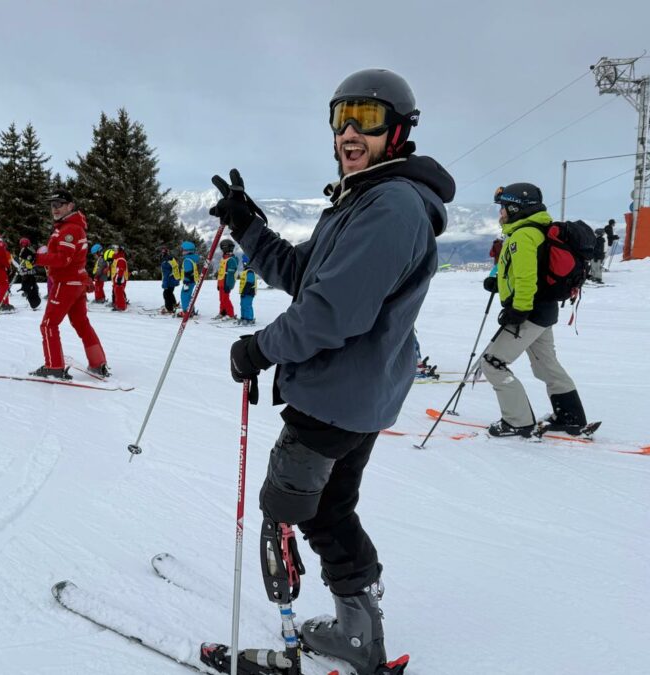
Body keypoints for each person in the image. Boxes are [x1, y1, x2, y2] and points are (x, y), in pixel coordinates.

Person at [215, 68, 453, 675]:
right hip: (357, 392)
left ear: (398, 131)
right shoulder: (365, 197)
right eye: (341, 115)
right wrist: (248, 227)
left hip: (334, 394)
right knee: (330, 507)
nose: (349, 131)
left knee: (288, 507)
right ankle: (358, 627)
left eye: (367, 119)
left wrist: (259, 349)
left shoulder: (391, 205)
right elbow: (305, 276)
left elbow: (330, 313)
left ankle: (298, 642)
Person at [481, 183, 588, 437]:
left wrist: (518, 309)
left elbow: (528, 277)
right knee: (546, 365)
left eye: (504, 208)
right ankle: (569, 417)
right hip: (544, 311)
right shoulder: (537, 230)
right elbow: (524, 272)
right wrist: (501, 282)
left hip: (529, 313)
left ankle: (517, 421)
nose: (501, 214)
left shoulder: (523, 235)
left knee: (493, 363)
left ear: (516, 208)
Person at [32, 189, 109, 379]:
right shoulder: (70, 227)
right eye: (52, 205)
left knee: (48, 325)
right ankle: (98, 363)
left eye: (59, 204)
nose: (55, 208)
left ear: (70, 206)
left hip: (65, 284)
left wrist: (36, 258)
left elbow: (63, 259)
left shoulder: (70, 229)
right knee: (81, 323)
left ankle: (54, 367)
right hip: (75, 283)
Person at [15, 237, 41, 310]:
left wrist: (26, 264)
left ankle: (34, 302)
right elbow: (28, 262)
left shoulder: (27, 251)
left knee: (30, 285)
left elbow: (30, 261)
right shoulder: (26, 250)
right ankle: (34, 302)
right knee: (30, 286)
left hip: (27, 272)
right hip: (27, 272)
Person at [216, 239, 239, 319]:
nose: (222, 249)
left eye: (222, 248)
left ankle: (231, 314)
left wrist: (228, 285)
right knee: (221, 299)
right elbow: (221, 272)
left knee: (225, 299)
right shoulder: (224, 258)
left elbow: (230, 274)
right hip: (222, 283)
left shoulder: (231, 260)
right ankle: (222, 312)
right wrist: (218, 284)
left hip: (226, 283)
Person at [179, 240, 200, 315]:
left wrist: (186, 282)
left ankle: (186, 312)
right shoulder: (192, 258)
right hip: (192, 280)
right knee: (188, 295)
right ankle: (191, 310)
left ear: (188, 251)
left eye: (184, 250)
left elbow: (188, 272)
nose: (182, 251)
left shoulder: (187, 260)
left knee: (184, 295)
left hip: (188, 281)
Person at [160, 247, 181, 314]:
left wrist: (164, 284)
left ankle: (169, 309)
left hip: (169, 280)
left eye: (163, 252)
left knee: (166, 294)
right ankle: (174, 304)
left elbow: (166, 274)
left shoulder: (166, 261)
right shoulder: (171, 259)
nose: (162, 253)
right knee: (170, 292)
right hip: (174, 279)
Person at [237, 254, 256, 326]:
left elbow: (249, 283)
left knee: (247, 305)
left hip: (249, 292)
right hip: (244, 292)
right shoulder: (246, 271)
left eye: (244, 262)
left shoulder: (250, 271)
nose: (243, 264)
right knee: (243, 304)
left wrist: (244, 292)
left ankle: (249, 319)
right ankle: (243, 317)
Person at [110, 245, 129, 311]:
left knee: (119, 292)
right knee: (117, 292)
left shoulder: (121, 259)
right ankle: (117, 304)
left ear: (120, 251)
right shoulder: (117, 258)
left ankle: (121, 307)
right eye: (114, 250)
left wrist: (119, 278)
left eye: (116, 250)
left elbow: (121, 269)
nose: (114, 251)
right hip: (116, 278)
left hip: (120, 278)